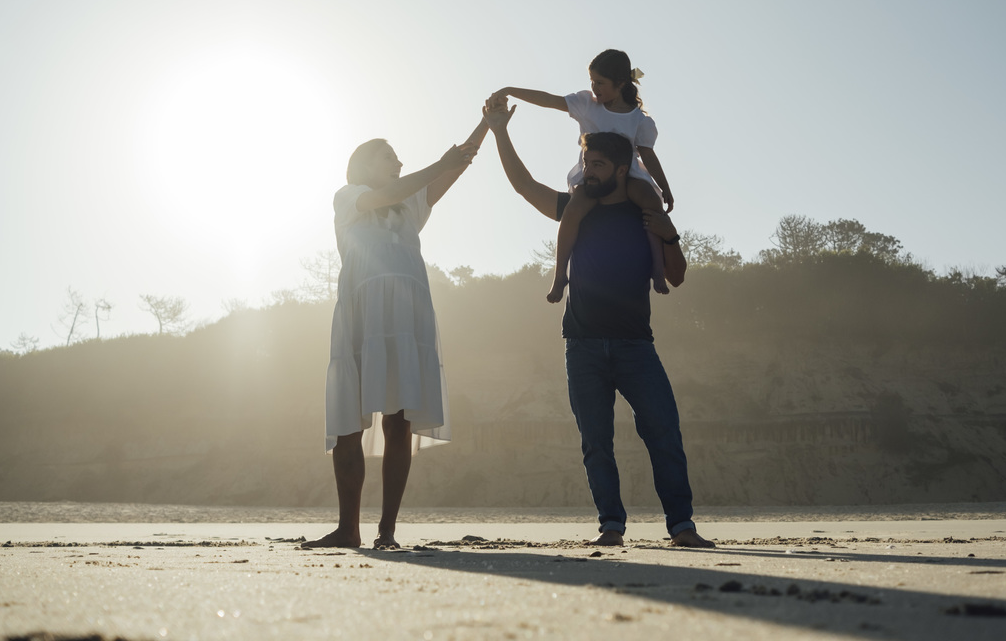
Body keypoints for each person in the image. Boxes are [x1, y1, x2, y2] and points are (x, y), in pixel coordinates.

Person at [481, 99, 713, 548]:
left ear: (622, 170)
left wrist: (669, 233)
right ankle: (611, 526)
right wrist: (500, 132)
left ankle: (682, 526)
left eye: (599, 165)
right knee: (596, 443)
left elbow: (677, 277)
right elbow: (524, 186)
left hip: (635, 346)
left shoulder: (644, 214)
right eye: (586, 163)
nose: (588, 172)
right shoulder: (576, 207)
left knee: (664, 434)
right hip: (583, 345)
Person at [303, 119, 486, 550]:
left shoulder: (412, 204)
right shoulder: (349, 196)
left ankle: (387, 531)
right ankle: (348, 529)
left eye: (399, 158)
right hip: (363, 312)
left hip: (407, 316)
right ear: (363, 165)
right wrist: (438, 163)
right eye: (389, 156)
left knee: (400, 421)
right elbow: (388, 194)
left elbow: (457, 164)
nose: (399, 163)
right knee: (349, 420)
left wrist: (487, 124)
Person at [492, 49, 674, 303]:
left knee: (651, 205)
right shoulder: (587, 104)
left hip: (627, 175)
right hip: (592, 177)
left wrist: (664, 188)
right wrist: (511, 90)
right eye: (592, 81)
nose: (594, 88)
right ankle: (559, 276)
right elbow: (549, 100)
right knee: (572, 211)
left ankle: (657, 271)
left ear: (621, 83)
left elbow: (648, 156)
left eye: (600, 83)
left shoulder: (638, 120)